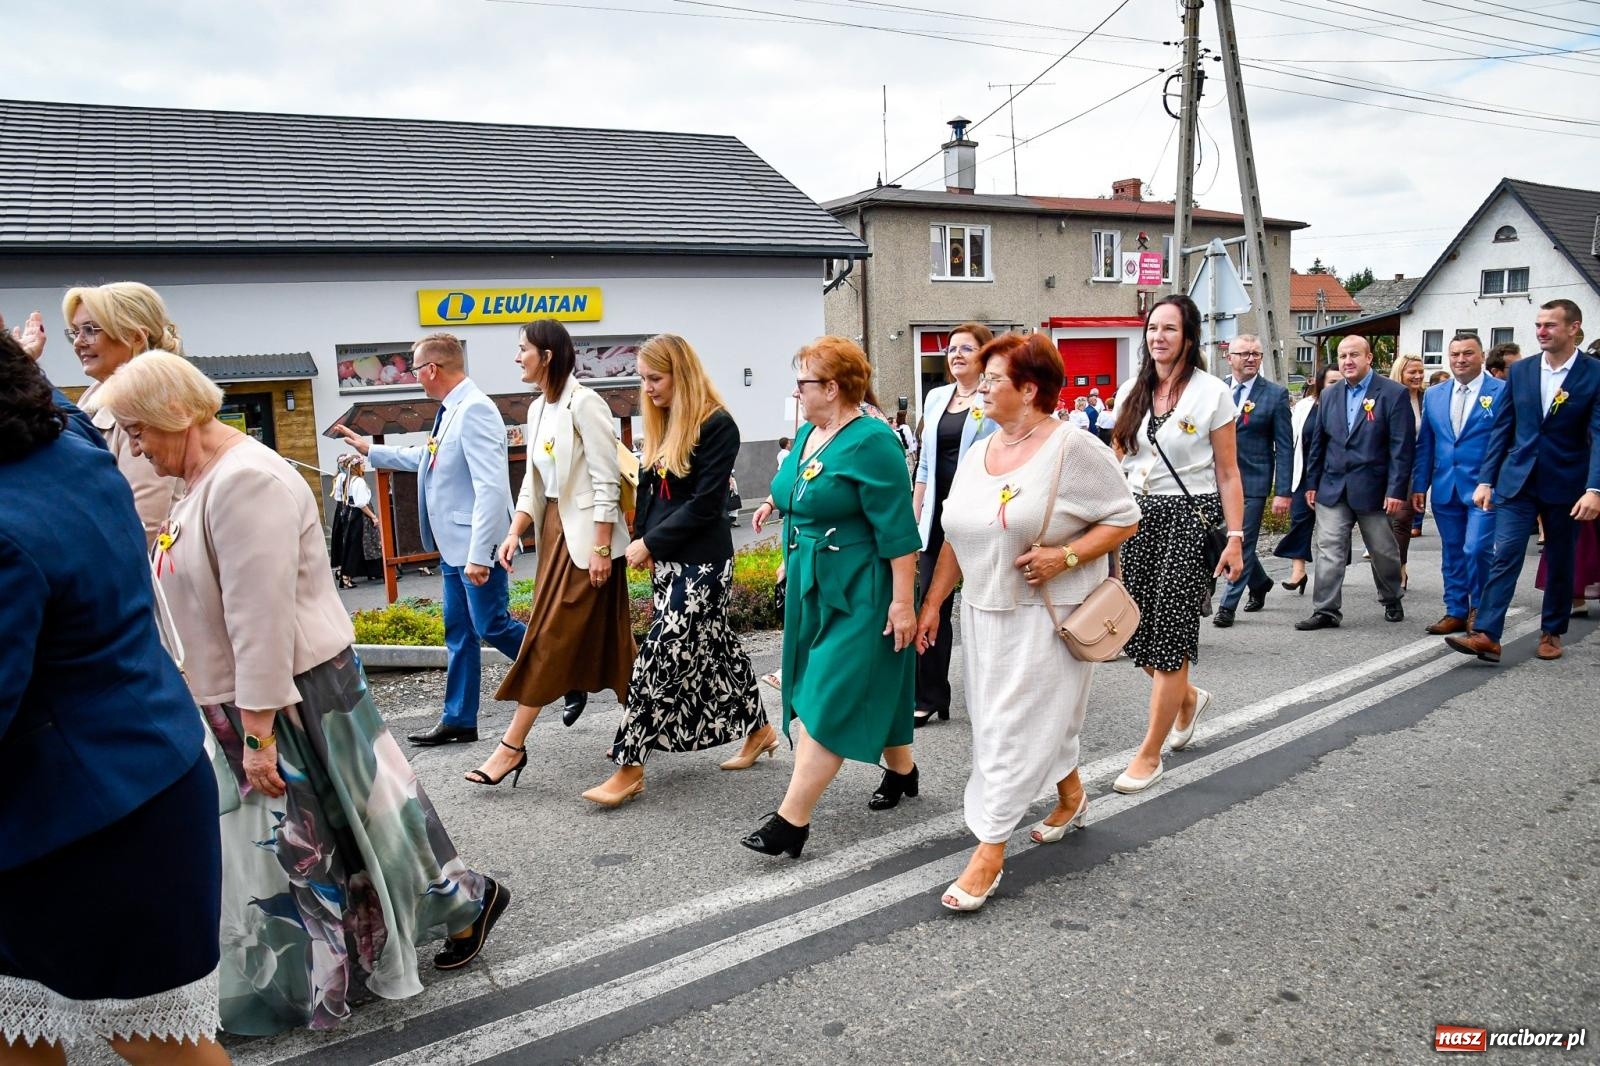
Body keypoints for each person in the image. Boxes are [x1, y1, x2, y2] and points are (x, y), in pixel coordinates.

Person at [89, 352, 509, 1036]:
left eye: (137, 430)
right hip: (256, 694)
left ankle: (367, 952)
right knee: (353, 829)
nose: (132, 446)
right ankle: (447, 908)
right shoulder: (198, 478)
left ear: (173, 413)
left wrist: (256, 736)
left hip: (292, 692)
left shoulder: (244, 480)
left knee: (340, 833)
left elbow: (260, 622)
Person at [0, 336, 230, 1066]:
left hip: (86, 822)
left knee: (155, 1044)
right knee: (18, 1029)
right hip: (140, 770)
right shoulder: (69, 445)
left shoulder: (7, 529)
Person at [914, 333, 1139, 911]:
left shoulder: (1074, 447)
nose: (980, 388)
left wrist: (1063, 556)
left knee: (1008, 733)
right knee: (1003, 721)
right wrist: (935, 603)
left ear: (1030, 389)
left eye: (992, 380)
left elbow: (1123, 519)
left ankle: (989, 850)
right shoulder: (977, 452)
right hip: (984, 613)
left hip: (1047, 617)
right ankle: (1071, 796)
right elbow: (956, 537)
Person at [743, 337, 921, 858]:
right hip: (812, 584)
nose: (796, 391)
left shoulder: (874, 441)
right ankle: (904, 771)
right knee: (849, 686)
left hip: (862, 591)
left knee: (828, 694)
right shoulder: (808, 434)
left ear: (833, 387)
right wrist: (776, 512)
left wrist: (903, 602)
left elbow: (898, 530)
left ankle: (790, 821)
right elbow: (792, 489)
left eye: (803, 382)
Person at [584, 334, 772, 806]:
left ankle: (629, 765)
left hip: (705, 563)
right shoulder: (664, 422)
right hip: (667, 563)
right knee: (720, 648)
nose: (646, 387)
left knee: (659, 657)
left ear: (681, 374)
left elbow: (707, 505)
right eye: (642, 378)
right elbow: (649, 492)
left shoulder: (718, 424)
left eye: (655, 378)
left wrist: (650, 541)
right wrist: (643, 542)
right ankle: (761, 730)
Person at [467, 319, 638, 789]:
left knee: (547, 638)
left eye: (523, 349)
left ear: (547, 355)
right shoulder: (537, 408)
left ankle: (511, 747)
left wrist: (603, 546)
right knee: (615, 649)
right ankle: (640, 730)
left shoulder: (587, 403)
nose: (517, 357)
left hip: (588, 543)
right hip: (554, 536)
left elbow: (606, 478)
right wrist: (514, 530)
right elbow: (533, 483)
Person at [336, 332, 527, 746]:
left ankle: (565, 672)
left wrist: (481, 554)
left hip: (474, 546)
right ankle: (459, 718)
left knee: (492, 625)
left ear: (433, 369)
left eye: (418, 369)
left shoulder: (474, 409)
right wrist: (371, 451)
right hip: (453, 547)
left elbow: (493, 489)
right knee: (458, 632)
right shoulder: (452, 409)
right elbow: (428, 459)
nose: (416, 377)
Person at [1107, 295, 1246, 795]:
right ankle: (1187, 699)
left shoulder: (1213, 394)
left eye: (1169, 328)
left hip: (1190, 517)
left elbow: (1229, 473)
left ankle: (1149, 754)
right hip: (1138, 519)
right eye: (1152, 328)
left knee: (1170, 637)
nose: (1158, 337)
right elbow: (1116, 458)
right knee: (1131, 634)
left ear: (1188, 337)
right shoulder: (1132, 389)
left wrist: (1234, 538)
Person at [1448, 300, 1600, 663]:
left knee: (1561, 559)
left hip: (1568, 483)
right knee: (1506, 554)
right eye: (1538, 325)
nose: (1542, 332)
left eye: (1550, 325)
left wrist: (1594, 488)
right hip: (1517, 481)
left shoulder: (1594, 373)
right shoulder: (1523, 371)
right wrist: (1486, 480)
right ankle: (1487, 634)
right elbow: (1503, 427)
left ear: (1573, 328)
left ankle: (1552, 631)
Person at [1295, 336, 1416, 630]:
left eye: (1354, 355)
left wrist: (1396, 489)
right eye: (1342, 356)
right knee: (1330, 548)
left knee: (1383, 551)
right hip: (1333, 487)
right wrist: (1312, 482)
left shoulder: (1392, 393)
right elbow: (1318, 442)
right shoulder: (1331, 394)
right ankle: (1326, 610)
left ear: (1369, 358)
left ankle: (1391, 596)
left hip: (1374, 489)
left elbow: (1401, 447)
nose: (1347, 361)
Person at [911, 322, 998, 727]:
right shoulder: (936, 397)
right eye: (951, 348)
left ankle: (999, 686)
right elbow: (925, 464)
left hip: (979, 515)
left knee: (988, 603)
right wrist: (915, 516)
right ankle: (930, 693)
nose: (956, 354)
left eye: (966, 348)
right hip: (938, 517)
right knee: (931, 602)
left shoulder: (994, 396)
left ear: (984, 354)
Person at [61, 281, 184, 545]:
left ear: (135, 338)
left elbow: (143, 526)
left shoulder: (152, 404)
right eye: (74, 332)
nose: (78, 342)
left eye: (90, 330)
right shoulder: (93, 395)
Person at [1411, 333, 1505, 635]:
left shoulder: (1501, 391)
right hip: (1445, 486)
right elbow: (1426, 443)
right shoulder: (1436, 394)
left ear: (1482, 355)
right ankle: (1455, 609)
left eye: (1467, 353)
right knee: (1452, 551)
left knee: (1476, 549)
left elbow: (1507, 442)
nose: (1460, 360)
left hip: (1484, 488)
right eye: (1455, 355)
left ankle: (1479, 608)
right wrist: (1419, 486)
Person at [1214, 334, 1294, 628]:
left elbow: (1284, 446)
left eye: (1256, 354)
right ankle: (1259, 582)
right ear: (1229, 356)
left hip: (1253, 482)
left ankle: (1227, 606)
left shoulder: (1274, 394)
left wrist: (1283, 490)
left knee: (1241, 540)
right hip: (1216, 483)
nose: (1251, 359)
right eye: (1245, 353)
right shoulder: (1216, 390)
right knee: (1222, 539)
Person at [1274, 363, 1340, 592]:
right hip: (1305, 473)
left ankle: (1332, 572)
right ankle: (1298, 570)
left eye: (1340, 382)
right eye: (1332, 382)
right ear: (1321, 383)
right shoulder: (1305, 406)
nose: (1336, 386)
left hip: (1334, 476)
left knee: (1333, 527)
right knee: (1300, 520)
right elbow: (1291, 441)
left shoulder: (1347, 408)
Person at [1387, 353, 1428, 580]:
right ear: (1400, 373)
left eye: (1420, 371)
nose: (1418, 376)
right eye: (1412, 372)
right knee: (1388, 520)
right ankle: (1387, 561)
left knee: (1403, 518)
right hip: (1389, 465)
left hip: (1415, 465)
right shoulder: (1389, 396)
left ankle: (1400, 569)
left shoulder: (1426, 398)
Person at [330, 454, 382, 588]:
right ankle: (346, 576)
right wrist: (373, 517)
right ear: (356, 467)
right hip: (360, 515)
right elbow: (361, 503)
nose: (364, 466)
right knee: (358, 545)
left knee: (360, 545)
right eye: (362, 464)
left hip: (353, 514)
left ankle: (376, 571)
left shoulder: (349, 480)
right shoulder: (358, 481)